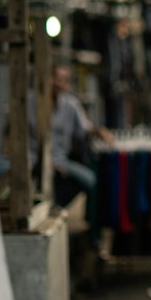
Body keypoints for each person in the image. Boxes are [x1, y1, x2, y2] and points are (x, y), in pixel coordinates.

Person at [50, 65, 113, 239]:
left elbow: (84, 128)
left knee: (90, 180)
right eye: (56, 78)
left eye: (64, 80)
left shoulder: (70, 105)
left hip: (61, 159)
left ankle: (93, 233)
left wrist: (99, 131)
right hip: (35, 159)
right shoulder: (32, 102)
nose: (58, 84)